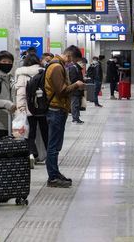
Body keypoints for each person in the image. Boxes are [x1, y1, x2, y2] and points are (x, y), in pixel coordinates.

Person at [44, 45, 85, 188]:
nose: (72, 63)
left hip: (58, 109)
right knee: (53, 146)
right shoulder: (56, 67)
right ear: (69, 56)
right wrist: (76, 85)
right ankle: (53, 177)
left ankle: (55, 173)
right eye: (73, 60)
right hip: (55, 110)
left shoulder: (58, 65)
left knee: (56, 145)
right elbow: (61, 90)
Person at [14, 54, 49, 169]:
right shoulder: (44, 71)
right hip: (43, 107)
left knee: (30, 132)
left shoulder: (22, 73)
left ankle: (32, 154)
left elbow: (21, 93)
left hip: (29, 108)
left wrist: (21, 108)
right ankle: (50, 155)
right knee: (45, 132)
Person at [67, 48, 85, 124]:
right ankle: (75, 119)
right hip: (75, 90)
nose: (83, 65)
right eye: (83, 63)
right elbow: (73, 79)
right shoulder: (73, 68)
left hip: (78, 89)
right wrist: (79, 84)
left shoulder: (78, 68)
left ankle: (77, 118)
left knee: (77, 104)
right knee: (75, 104)